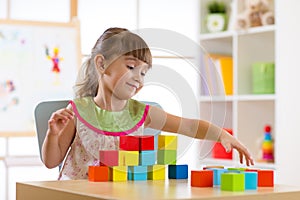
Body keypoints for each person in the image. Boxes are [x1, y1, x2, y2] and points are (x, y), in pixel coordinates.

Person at [42, 27, 254, 180]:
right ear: (102, 64)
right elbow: (51, 161)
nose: (138, 78)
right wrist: (53, 135)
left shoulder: (140, 113)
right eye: (131, 67)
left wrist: (222, 135)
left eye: (143, 72)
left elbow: (188, 126)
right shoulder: (79, 110)